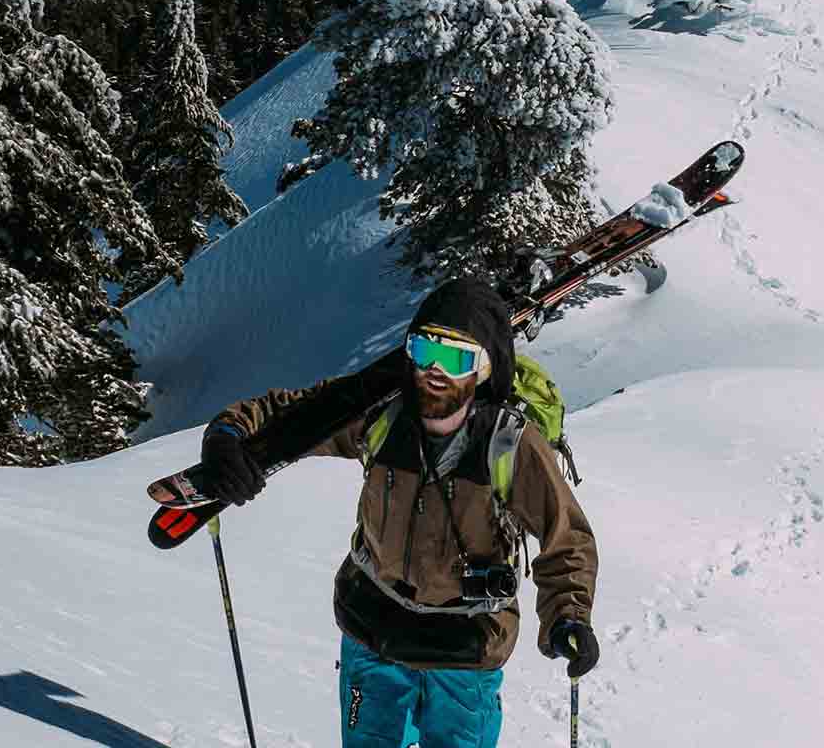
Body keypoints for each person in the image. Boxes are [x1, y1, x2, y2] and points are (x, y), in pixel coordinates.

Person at [198, 277, 599, 748]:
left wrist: (568, 615)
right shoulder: (381, 415)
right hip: (374, 630)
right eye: (423, 349)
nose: (434, 370)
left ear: (484, 370)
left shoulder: (509, 444)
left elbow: (565, 537)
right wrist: (228, 435)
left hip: (463, 648)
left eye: (454, 360)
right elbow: (294, 413)